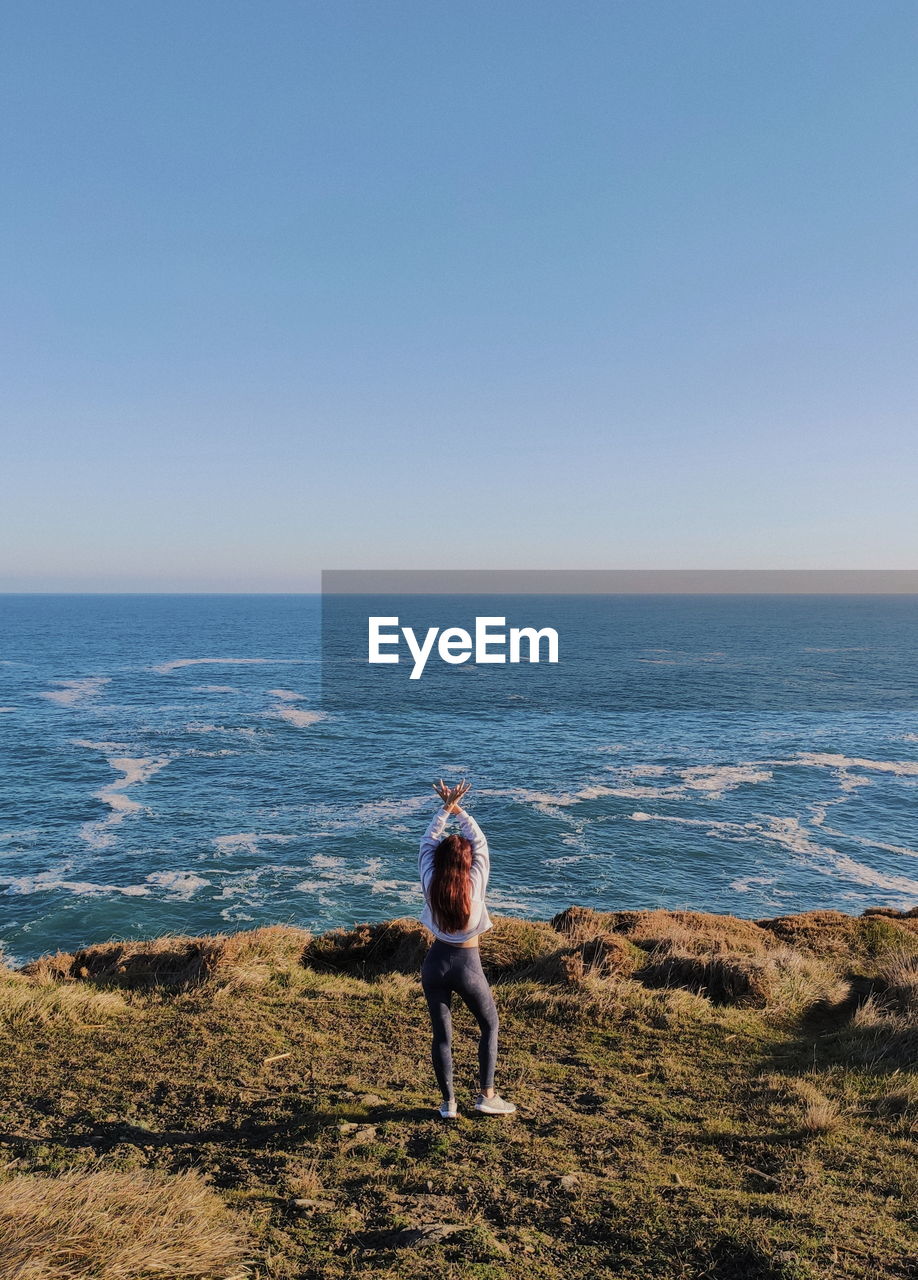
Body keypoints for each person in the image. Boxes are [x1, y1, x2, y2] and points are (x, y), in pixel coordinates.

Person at [418, 778, 516, 1119]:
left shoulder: (430, 882)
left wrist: (444, 809)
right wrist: (458, 808)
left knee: (441, 1036)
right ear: (468, 863)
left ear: (441, 862)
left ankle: (449, 1105)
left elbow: (427, 843)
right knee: (489, 1025)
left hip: (435, 964)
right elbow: (480, 841)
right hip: (468, 966)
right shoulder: (475, 886)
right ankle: (487, 1096)